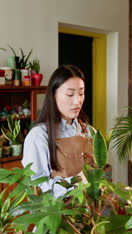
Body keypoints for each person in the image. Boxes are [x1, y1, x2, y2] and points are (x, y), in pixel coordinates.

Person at [22, 65, 94, 197]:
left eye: (81, 93)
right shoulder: (39, 136)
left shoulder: (88, 131)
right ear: (53, 95)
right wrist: (75, 183)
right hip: (55, 213)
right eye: (70, 94)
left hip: (88, 213)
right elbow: (38, 187)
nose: (77, 101)